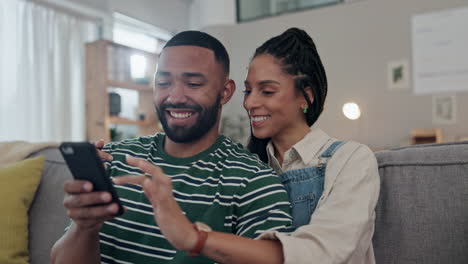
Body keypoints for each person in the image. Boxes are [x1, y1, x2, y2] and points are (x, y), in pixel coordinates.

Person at [114, 27, 380, 264]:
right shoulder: (247, 167)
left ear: (305, 95)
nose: (250, 103)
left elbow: (327, 253)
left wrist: (195, 239)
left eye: (267, 91)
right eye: (248, 91)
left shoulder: (350, 159)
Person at [50, 31, 293, 264]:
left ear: (225, 92)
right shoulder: (115, 159)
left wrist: (193, 237)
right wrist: (84, 227)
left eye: (194, 84)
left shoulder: (253, 181)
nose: (175, 96)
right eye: (163, 82)